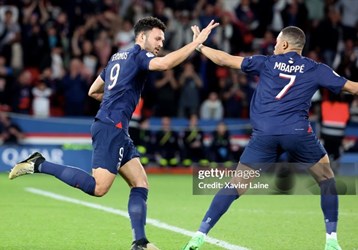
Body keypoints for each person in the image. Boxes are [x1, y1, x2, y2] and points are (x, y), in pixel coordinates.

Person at [9, 16, 218, 250]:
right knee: (99, 188)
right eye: (157, 38)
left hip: (116, 127)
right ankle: (39, 164)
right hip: (112, 127)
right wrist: (196, 43)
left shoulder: (117, 57)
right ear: (142, 36)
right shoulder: (139, 55)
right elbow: (166, 64)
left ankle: (139, 242)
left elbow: (92, 91)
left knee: (140, 183)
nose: (160, 43)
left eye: (163, 39)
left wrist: (114, 99)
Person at [183, 25, 358, 250]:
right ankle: (332, 241)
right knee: (327, 181)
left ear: (285, 44)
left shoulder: (267, 62)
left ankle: (200, 234)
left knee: (235, 185)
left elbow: (225, 59)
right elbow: (352, 88)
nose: (274, 45)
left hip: (264, 135)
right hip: (297, 134)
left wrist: (199, 45)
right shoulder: (316, 69)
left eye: (277, 41)